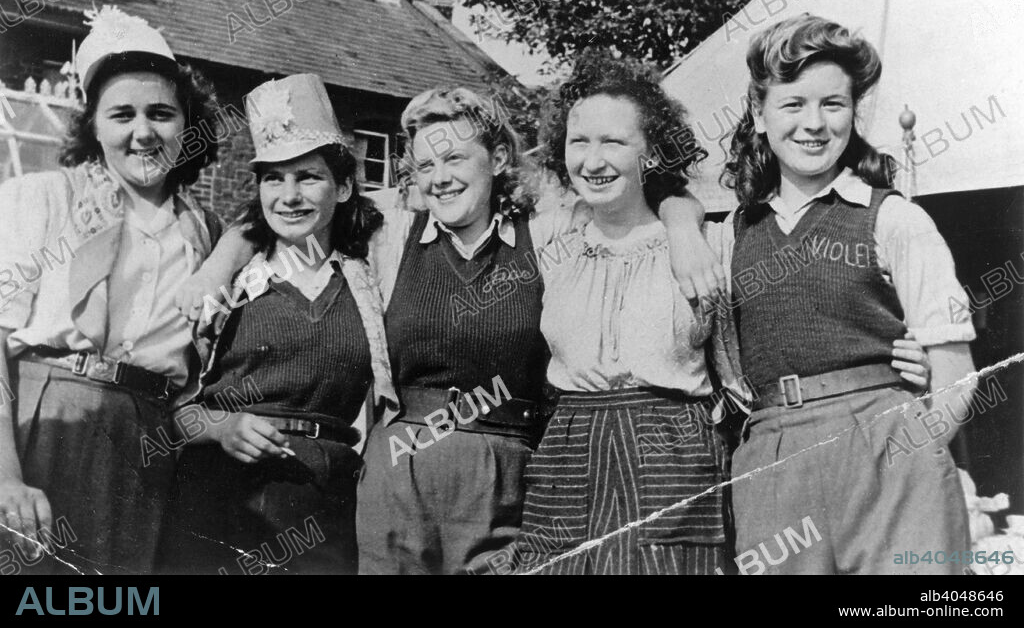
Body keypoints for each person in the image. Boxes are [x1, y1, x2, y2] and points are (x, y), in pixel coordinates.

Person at [180, 86, 716, 575]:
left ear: (499, 160)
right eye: (425, 164)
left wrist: (683, 226)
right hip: (400, 468)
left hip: (507, 470)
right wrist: (216, 267)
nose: (440, 177)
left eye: (456, 157)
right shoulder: (391, 232)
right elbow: (291, 208)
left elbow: (635, 197)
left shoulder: (550, 230)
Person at [713, 14, 976, 574]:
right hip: (772, 458)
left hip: (889, 453)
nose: (814, 123)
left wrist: (913, 453)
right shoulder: (730, 236)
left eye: (833, 104)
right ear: (759, 115)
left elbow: (956, 372)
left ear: (854, 114)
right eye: (793, 105)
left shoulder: (896, 219)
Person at [0, 6, 222, 574]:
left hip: (146, 442)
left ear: (186, 125)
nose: (143, 132)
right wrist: (6, 475)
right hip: (42, 419)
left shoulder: (206, 234)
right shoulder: (43, 199)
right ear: (94, 127)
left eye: (162, 114)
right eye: (121, 114)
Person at [511, 50, 745, 575]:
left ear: (651, 152)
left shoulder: (706, 241)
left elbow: (739, 369)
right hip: (567, 458)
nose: (593, 162)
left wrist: (683, 223)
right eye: (579, 142)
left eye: (614, 141)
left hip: (673, 454)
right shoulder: (551, 239)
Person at [158, 74, 396, 575]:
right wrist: (222, 426)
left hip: (323, 501)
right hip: (220, 491)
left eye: (308, 177)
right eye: (273, 178)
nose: (289, 196)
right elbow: (172, 410)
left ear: (346, 185)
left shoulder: (371, 277)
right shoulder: (226, 283)